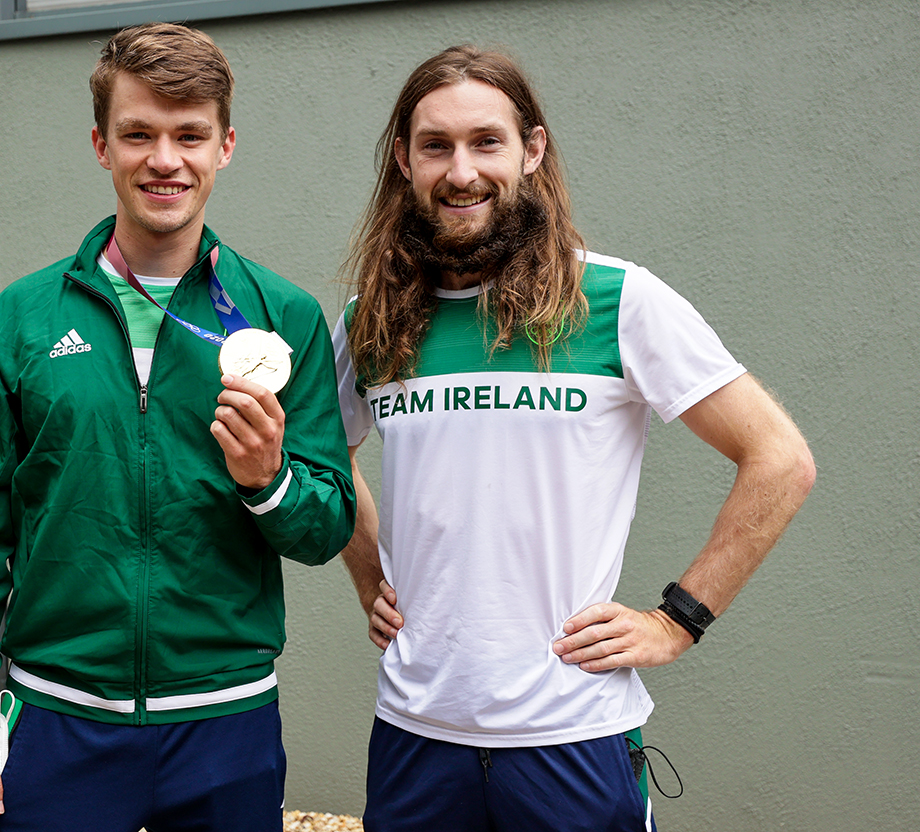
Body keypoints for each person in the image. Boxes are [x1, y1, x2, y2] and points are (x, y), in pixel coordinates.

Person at [334, 45, 815, 832]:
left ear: (532, 149)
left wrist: (675, 620)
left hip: (573, 738)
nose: (462, 171)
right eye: (436, 146)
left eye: (486, 141)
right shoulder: (373, 318)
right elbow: (327, 455)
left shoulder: (616, 298)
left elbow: (780, 461)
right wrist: (371, 577)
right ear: (403, 160)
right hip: (415, 733)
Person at [0, 22, 355, 832]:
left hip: (228, 726)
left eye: (190, 134)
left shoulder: (284, 316)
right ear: (101, 145)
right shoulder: (23, 315)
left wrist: (272, 481)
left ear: (225, 145)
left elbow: (328, 523)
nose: (166, 159)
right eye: (139, 134)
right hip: (56, 723)